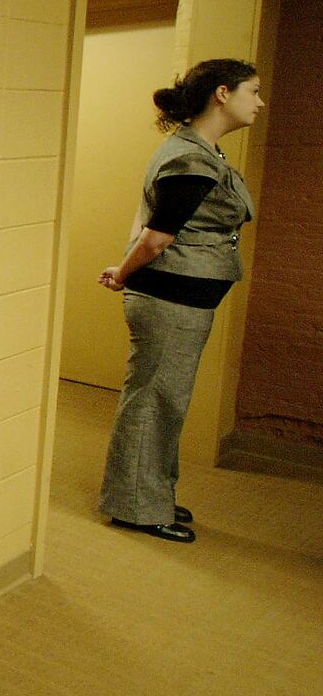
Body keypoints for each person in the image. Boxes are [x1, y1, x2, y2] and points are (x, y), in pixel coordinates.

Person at [97, 59, 261, 544]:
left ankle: (151, 493)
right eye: (254, 91)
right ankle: (136, 507)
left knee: (166, 400)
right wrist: (122, 272)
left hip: (181, 299)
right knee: (154, 400)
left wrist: (126, 267)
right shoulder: (190, 158)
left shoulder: (199, 150)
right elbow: (156, 237)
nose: (260, 101)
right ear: (222, 94)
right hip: (168, 299)